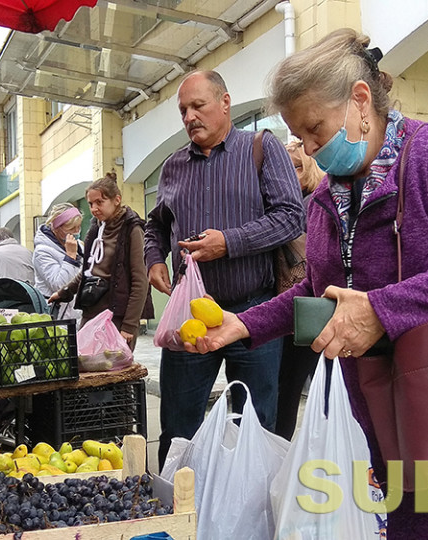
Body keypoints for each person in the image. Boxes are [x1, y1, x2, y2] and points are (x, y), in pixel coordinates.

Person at [188, 29, 428, 538]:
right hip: (379, 423)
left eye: (316, 129)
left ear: (361, 100)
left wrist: (381, 308)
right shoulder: (321, 206)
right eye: (302, 136)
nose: (311, 148)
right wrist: (242, 325)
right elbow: (314, 293)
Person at [143, 70, 305, 469]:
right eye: (183, 110)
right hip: (190, 316)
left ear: (226, 102)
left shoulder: (261, 149)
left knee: (256, 426)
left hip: (254, 315)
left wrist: (228, 243)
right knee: (178, 427)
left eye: (198, 105)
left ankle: (249, 512)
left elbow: (290, 217)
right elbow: (156, 222)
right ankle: (177, 513)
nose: (189, 117)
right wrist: (153, 259)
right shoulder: (173, 166)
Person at [51, 173, 153, 350]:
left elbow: (140, 281)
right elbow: (88, 272)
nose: (94, 208)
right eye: (91, 204)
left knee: (115, 369)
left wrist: (129, 325)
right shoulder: (95, 228)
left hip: (118, 315)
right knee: (85, 365)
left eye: (100, 202)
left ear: (117, 200)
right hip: (92, 310)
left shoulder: (132, 229)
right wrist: (64, 292)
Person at [274, 141, 324, 441]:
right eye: (285, 167)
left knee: (307, 386)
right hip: (290, 310)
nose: (290, 173)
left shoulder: (314, 202)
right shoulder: (287, 202)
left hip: (312, 308)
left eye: (297, 165)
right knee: (289, 388)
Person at [33, 203, 84, 322]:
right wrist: (71, 257)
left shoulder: (79, 246)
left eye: (79, 227)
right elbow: (59, 285)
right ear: (57, 227)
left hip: (77, 314)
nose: (76, 232)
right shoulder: (42, 252)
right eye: (71, 229)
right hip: (56, 316)